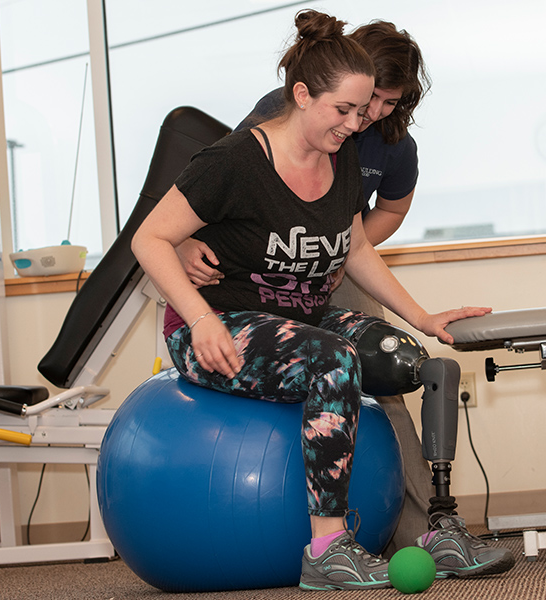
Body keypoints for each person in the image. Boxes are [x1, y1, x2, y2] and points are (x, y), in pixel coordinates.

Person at [132, 11, 510, 592]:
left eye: (363, 112)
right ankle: (329, 549)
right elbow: (150, 238)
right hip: (220, 324)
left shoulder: (342, 156)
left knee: (402, 358)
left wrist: (423, 318)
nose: (357, 124)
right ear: (303, 95)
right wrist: (201, 318)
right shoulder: (235, 160)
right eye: (345, 110)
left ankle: (436, 527)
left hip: (298, 315)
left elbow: (354, 245)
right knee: (333, 361)